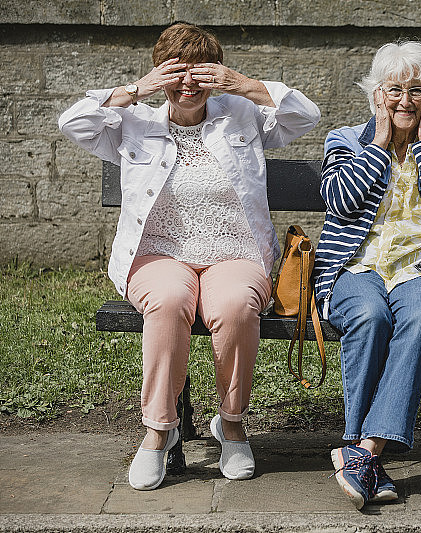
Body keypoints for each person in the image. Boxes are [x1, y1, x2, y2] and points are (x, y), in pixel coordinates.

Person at [58, 22, 320, 490]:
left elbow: (304, 116)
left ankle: (232, 424)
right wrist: (136, 90)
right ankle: (159, 431)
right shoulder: (134, 121)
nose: (187, 86)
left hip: (235, 252)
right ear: (161, 75)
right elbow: (73, 121)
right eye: (176, 73)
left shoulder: (240, 114)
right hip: (158, 254)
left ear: (215, 74)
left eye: (199, 74)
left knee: (236, 305)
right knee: (168, 302)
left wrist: (246, 85)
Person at [313, 40, 421, 509]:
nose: (405, 100)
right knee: (369, 315)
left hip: (420, 269)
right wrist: (380, 143)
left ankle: (363, 452)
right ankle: (369, 458)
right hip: (354, 267)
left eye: (417, 90)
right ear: (375, 94)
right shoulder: (344, 141)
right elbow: (341, 201)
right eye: (394, 90)